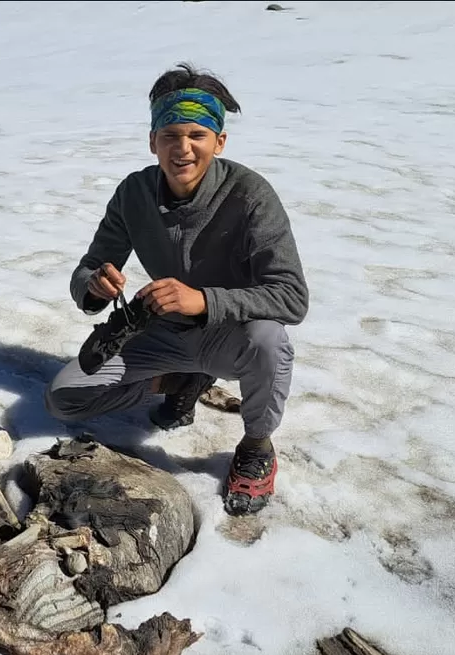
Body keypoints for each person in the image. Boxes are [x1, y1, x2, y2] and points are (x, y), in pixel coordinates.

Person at [44, 63, 309, 516]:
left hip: (232, 334)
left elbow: (291, 296)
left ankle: (257, 445)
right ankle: (181, 381)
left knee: (269, 340)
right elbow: (89, 266)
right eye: (169, 135)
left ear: (218, 142)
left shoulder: (250, 194)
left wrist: (204, 300)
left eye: (196, 135)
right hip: (161, 333)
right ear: (153, 141)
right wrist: (95, 284)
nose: (182, 149)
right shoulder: (134, 193)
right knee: (64, 399)